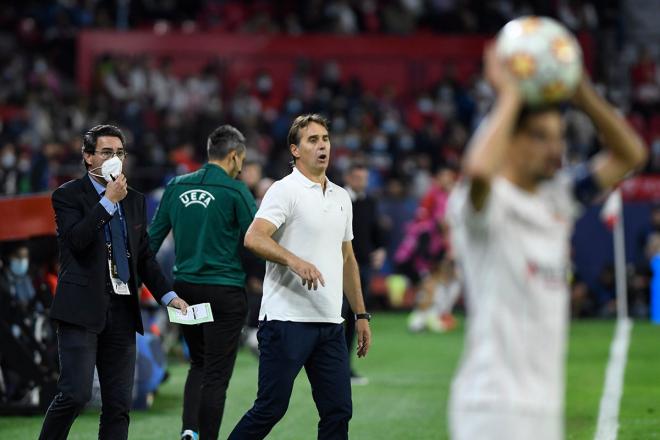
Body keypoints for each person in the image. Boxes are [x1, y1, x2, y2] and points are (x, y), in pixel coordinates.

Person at [446, 45, 647, 440]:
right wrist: (511, 94)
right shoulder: (486, 206)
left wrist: (583, 91)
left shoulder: (558, 198)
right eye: (540, 137)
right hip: (491, 405)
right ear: (510, 140)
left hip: (544, 404)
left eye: (559, 137)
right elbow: (479, 171)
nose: (555, 150)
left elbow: (630, 154)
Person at [38, 124, 188, 440]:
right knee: (75, 394)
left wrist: (168, 295)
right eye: (107, 152)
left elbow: (144, 257)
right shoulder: (66, 195)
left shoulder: (134, 200)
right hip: (81, 310)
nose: (115, 159)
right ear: (87, 157)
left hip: (122, 309)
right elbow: (76, 240)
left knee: (119, 405)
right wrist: (107, 202)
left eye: (119, 152)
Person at [228, 114, 372, 440]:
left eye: (325, 139)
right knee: (271, 408)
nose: (322, 146)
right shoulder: (284, 190)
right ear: (295, 149)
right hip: (285, 322)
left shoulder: (340, 197)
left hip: (330, 323)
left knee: (338, 411)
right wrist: (294, 260)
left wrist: (360, 314)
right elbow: (254, 237)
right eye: (312, 140)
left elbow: (347, 258)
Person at [149, 125, 257, 440]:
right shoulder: (236, 190)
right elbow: (258, 240)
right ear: (235, 156)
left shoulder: (175, 186)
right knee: (216, 375)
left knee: (198, 363)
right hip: (224, 292)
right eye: (242, 160)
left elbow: (150, 244)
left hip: (184, 290)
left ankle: (189, 431)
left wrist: (157, 288)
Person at [342, 161, 386, 385]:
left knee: (354, 318)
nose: (363, 182)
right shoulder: (338, 199)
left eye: (365, 179)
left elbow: (376, 230)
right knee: (336, 318)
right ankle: (332, 367)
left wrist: (380, 249)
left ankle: (345, 367)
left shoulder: (370, 201)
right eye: (358, 178)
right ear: (349, 178)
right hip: (341, 266)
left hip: (364, 266)